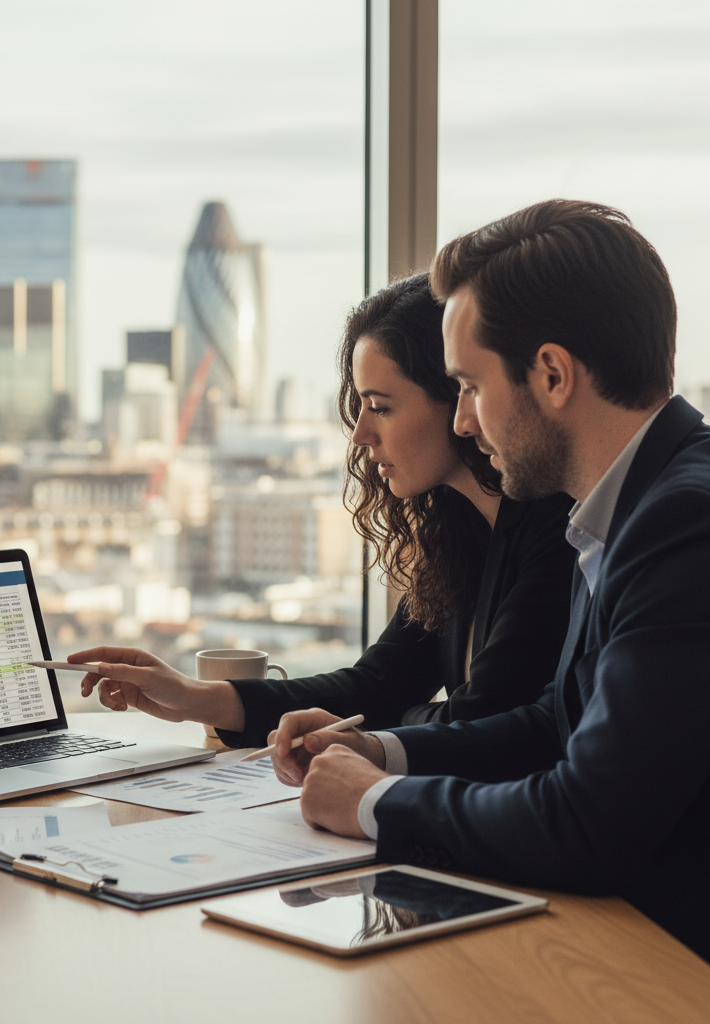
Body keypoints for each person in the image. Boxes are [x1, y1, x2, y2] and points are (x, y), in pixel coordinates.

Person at [277, 199, 710, 962]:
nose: (465, 422)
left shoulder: (682, 525)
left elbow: (589, 827)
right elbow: (557, 722)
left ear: (550, 374)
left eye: (470, 386)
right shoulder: (620, 504)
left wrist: (376, 803)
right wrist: (385, 753)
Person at [69, 274, 576, 744]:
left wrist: (398, 723)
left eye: (380, 407)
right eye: (360, 407)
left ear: (456, 396)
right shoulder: (460, 529)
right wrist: (190, 696)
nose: (360, 434)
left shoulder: (558, 531)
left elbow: (476, 724)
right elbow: (381, 683)